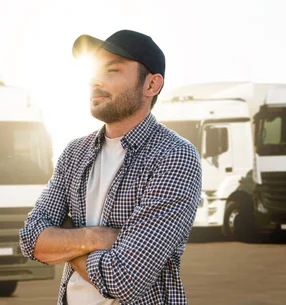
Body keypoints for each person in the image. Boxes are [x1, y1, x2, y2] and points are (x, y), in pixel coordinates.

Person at [19, 29, 203, 305]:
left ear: (151, 85)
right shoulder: (75, 153)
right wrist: (98, 236)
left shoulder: (174, 156)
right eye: (95, 70)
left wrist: (67, 242)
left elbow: (124, 279)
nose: (95, 80)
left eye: (113, 70)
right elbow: (30, 239)